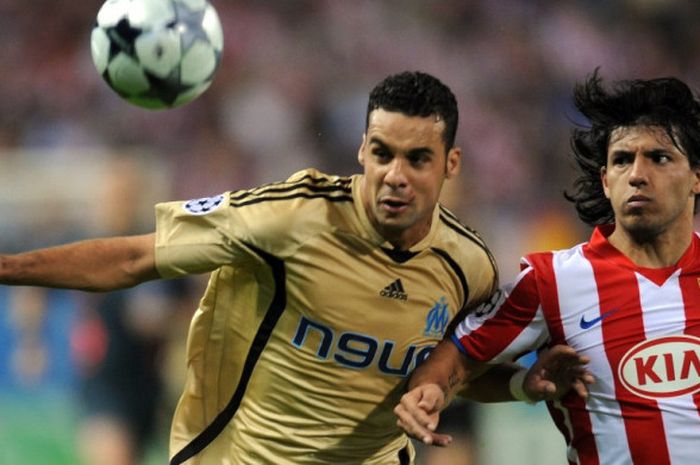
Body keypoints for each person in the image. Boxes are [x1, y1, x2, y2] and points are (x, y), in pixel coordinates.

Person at [0, 71, 587, 465]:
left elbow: (445, 374)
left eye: (418, 158)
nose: (395, 174)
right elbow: (133, 257)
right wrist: (9, 266)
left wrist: (515, 385)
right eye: (381, 153)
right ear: (362, 150)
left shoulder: (470, 267)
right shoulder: (289, 218)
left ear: (450, 163)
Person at [395, 70, 700, 465]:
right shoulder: (553, 280)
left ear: (696, 176)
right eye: (622, 161)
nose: (638, 175)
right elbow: (455, 356)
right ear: (606, 181)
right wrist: (431, 391)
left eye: (659, 158)